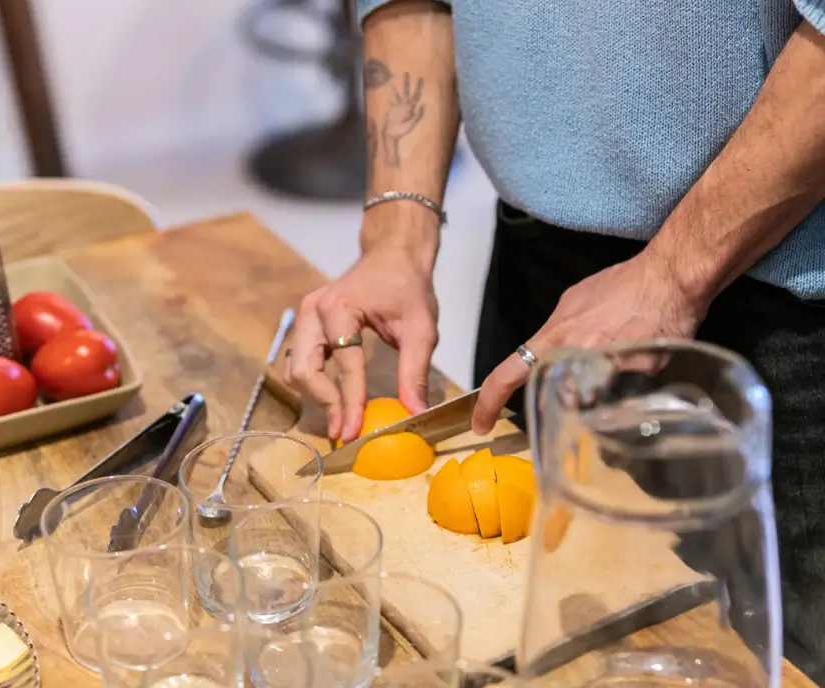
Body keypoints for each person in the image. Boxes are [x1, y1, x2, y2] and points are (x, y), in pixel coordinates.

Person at [283, 0, 825, 676]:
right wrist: (397, 232)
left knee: (756, 660)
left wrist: (673, 275)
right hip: (537, 273)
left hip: (774, 293)